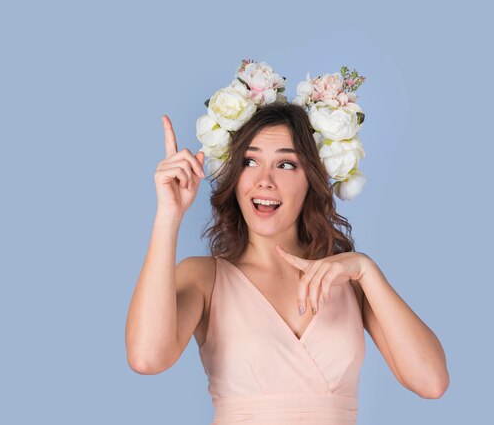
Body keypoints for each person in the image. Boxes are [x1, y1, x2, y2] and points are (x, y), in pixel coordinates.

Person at [125, 61, 449, 425]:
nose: (264, 180)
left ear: (313, 179)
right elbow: (147, 358)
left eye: (286, 165)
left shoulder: (350, 283)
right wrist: (168, 216)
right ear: (234, 175)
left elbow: (431, 382)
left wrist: (366, 269)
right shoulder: (204, 279)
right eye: (250, 162)